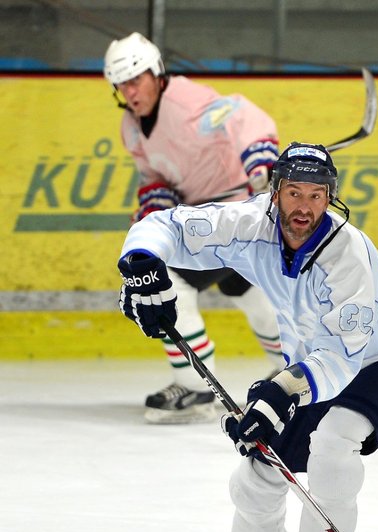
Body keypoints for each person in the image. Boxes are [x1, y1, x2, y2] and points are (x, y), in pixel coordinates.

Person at [117, 142, 378, 532]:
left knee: (332, 447)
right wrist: (142, 265)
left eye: (316, 194)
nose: (304, 206)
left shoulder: (348, 254)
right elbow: (166, 226)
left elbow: (344, 355)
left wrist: (283, 389)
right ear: (274, 192)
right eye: (294, 192)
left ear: (330, 199)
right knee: (262, 460)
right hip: (314, 357)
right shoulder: (249, 224)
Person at [104, 32, 286, 424]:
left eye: (136, 80)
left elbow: (242, 115)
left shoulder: (187, 103)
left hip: (233, 214)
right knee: (247, 287)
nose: (130, 91)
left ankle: (196, 384)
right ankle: (290, 372)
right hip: (209, 220)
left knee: (167, 281)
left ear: (156, 73)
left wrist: (260, 160)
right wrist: (157, 203)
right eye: (122, 85)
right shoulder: (132, 126)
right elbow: (153, 175)